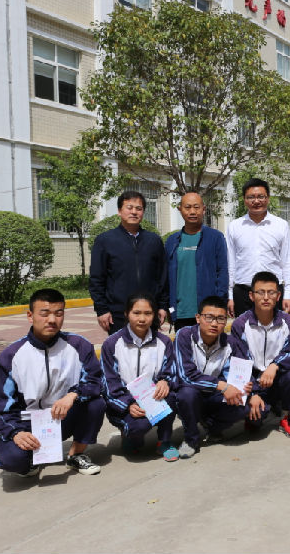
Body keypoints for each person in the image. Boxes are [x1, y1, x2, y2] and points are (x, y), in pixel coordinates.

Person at [0, 289, 105, 477]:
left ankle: (76, 455)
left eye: (59, 313)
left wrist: (73, 395)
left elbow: (95, 380)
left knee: (96, 403)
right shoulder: (12, 356)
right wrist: (16, 433)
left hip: (62, 418)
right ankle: (30, 459)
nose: (52, 320)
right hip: (27, 425)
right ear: (30, 316)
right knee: (12, 460)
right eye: (44, 313)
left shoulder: (78, 345)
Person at [100, 293, 179, 461]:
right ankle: (130, 435)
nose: (142, 319)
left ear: (155, 315)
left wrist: (165, 381)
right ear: (126, 314)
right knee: (136, 430)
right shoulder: (112, 344)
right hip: (125, 404)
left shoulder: (164, 342)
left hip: (152, 399)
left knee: (172, 396)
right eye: (136, 313)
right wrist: (128, 404)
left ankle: (164, 441)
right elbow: (109, 382)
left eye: (148, 313)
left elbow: (171, 371)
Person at [172, 296, 251, 458]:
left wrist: (243, 386)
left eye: (220, 319)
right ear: (198, 318)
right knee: (187, 394)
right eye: (209, 317)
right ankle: (191, 439)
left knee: (243, 406)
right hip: (190, 392)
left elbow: (238, 372)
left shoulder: (230, 343)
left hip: (214, 394)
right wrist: (222, 386)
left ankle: (211, 426)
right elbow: (186, 376)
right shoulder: (185, 335)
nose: (214, 324)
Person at [229, 271, 290, 438]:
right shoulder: (240, 325)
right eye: (260, 292)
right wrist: (253, 393)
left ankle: (286, 417)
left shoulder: (288, 322)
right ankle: (260, 408)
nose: (266, 298)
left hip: (277, 376)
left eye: (271, 293)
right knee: (254, 424)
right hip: (254, 379)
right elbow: (240, 362)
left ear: (278, 296)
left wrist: (274, 365)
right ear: (251, 296)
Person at [90, 190, 169, 334]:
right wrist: (102, 310)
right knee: (121, 348)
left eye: (138, 208)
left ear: (143, 212)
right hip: (118, 313)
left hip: (149, 312)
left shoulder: (154, 241)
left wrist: (163, 306)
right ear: (119, 211)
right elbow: (97, 278)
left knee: (150, 347)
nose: (134, 212)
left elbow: (162, 277)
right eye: (129, 207)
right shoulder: (105, 240)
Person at [226, 178, 290, 317]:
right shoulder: (234, 226)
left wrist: (288, 294)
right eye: (251, 197)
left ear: (268, 198)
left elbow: (288, 261)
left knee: (275, 330)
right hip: (243, 293)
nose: (256, 201)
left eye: (261, 196)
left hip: (273, 293)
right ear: (244, 200)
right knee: (243, 330)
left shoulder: (281, 225)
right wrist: (230, 295)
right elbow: (230, 263)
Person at [165, 192, 228, 330]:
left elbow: (222, 272)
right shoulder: (172, 241)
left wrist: (220, 304)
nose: (192, 211)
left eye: (196, 207)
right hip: (181, 312)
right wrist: (169, 307)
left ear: (204, 209)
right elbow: (166, 278)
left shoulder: (215, 237)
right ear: (180, 209)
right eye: (187, 207)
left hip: (209, 312)